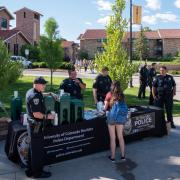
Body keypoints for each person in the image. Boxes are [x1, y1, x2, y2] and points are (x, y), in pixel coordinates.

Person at [25, 76, 55, 178]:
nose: (45, 86)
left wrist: (50, 94)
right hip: (36, 127)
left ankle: (30, 170)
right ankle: (37, 173)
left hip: (32, 126)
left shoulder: (32, 91)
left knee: (32, 149)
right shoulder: (35, 96)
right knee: (37, 151)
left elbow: (40, 95)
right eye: (43, 84)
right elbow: (36, 114)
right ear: (37, 84)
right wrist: (48, 116)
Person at [104, 81, 128, 162]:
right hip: (120, 118)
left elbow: (105, 108)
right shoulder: (122, 95)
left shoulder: (109, 94)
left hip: (112, 117)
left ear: (112, 86)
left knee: (113, 138)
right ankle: (123, 156)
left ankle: (113, 157)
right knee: (120, 137)